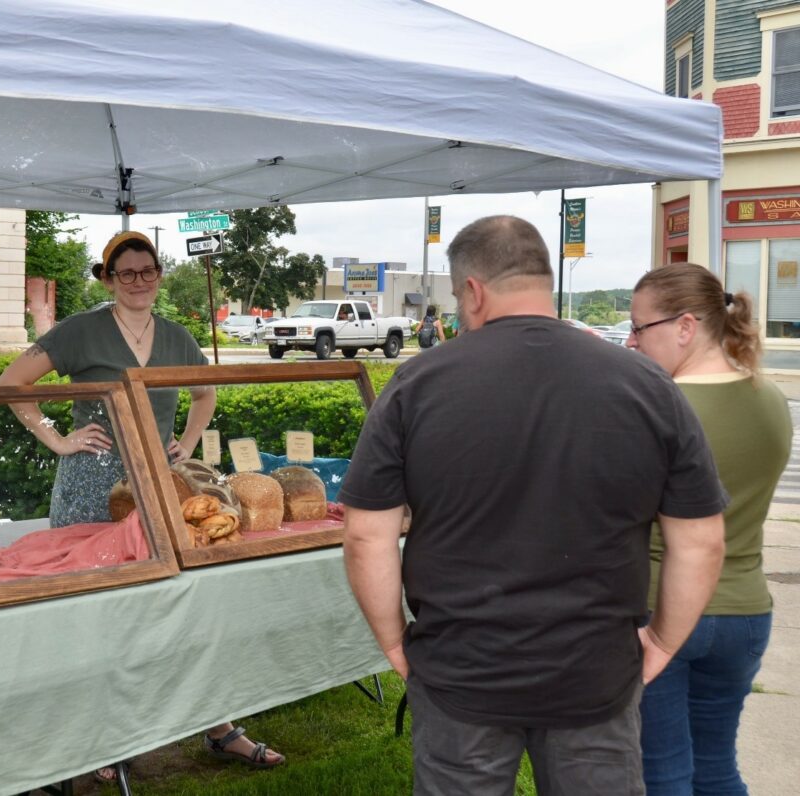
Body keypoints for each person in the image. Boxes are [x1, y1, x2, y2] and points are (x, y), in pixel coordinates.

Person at [339, 215, 727, 796]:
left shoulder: (415, 385)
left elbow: (367, 535)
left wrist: (394, 642)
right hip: (596, 676)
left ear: (473, 290)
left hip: (461, 672)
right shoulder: (647, 385)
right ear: (542, 278)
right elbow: (701, 540)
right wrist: (665, 642)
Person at [0, 231, 284, 781]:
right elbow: (11, 383)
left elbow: (206, 392)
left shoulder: (176, 338)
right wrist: (58, 438)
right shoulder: (80, 330)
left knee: (177, 600)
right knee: (94, 611)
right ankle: (102, 739)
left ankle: (217, 723)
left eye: (147, 270)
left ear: (158, 273)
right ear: (108, 278)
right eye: (125, 273)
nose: (138, 282)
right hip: (91, 485)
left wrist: (188, 442)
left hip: (156, 485)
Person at [629, 263, 791, 796]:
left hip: (664, 609)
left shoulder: (659, 407)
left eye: (639, 327)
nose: (630, 342)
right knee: (718, 767)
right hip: (746, 611)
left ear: (684, 327)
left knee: (663, 774)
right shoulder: (771, 399)